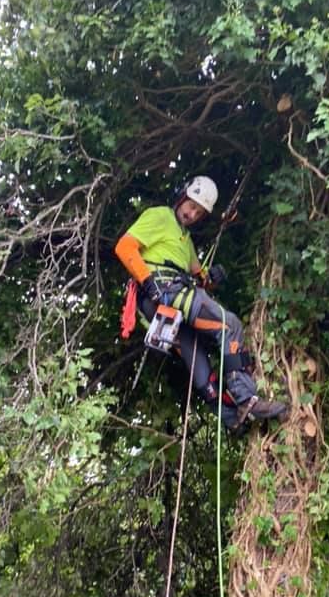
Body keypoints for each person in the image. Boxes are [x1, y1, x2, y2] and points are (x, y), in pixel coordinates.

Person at [115, 175, 288, 429]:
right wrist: (149, 282)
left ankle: (233, 419)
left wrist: (212, 278)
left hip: (168, 304)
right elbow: (125, 246)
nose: (192, 214)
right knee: (229, 325)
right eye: (191, 206)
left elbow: (200, 277)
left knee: (197, 361)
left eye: (199, 212)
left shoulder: (185, 240)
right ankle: (246, 398)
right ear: (182, 196)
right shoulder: (160, 215)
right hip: (166, 292)